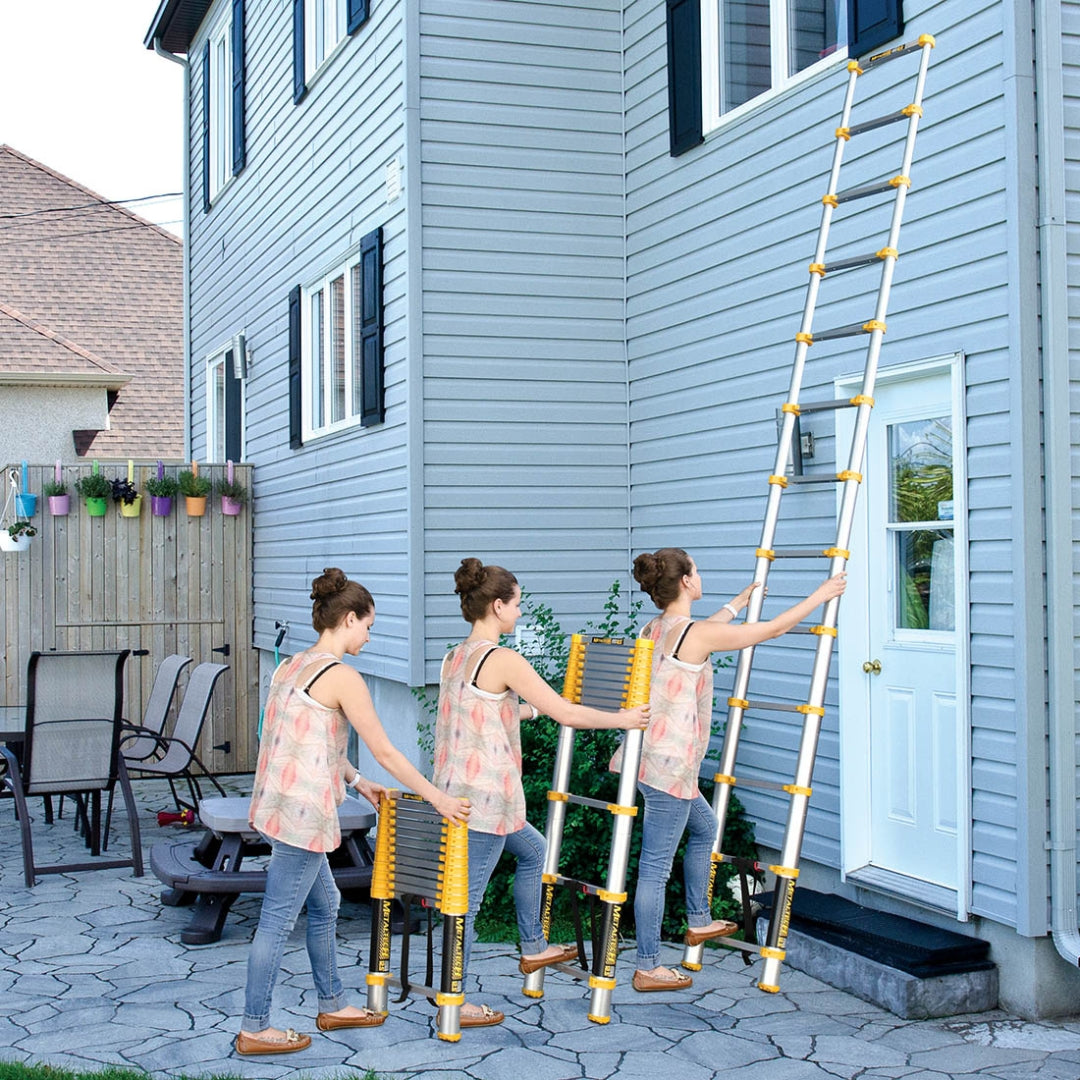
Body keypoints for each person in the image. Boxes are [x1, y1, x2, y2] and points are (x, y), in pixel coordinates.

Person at [236, 568, 470, 1056]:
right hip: (302, 817)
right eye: (368, 626)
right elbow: (386, 750)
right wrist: (440, 798)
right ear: (347, 619)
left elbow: (310, 742)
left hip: (278, 806)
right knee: (277, 922)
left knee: (326, 905)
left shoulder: (291, 667)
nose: (369, 636)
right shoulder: (342, 677)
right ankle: (255, 1027)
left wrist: (360, 783)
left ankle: (333, 1003)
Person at [433, 557, 651, 1027]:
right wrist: (623, 719)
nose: (520, 614)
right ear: (496, 605)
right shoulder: (503, 659)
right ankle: (454, 1000)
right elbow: (567, 712)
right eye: (517, 605)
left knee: (535, 850)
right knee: (464, 903)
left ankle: (533, 947)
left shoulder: (457, 657)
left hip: (460, 791)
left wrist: (533, 712)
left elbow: (491, 713)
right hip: (485, 801)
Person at [618, 548, 846, 992]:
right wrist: (822, 593)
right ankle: (647, 965)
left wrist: (737, 603)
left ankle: (699, 919)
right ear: (685, 581)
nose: (701, 576)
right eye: (697, 571)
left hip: (650, 760)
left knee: (705, 828)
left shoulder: (656, 628)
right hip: (669, 767)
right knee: (655, 867)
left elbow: (708, 631)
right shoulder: (696, 633)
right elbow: (772, 630)